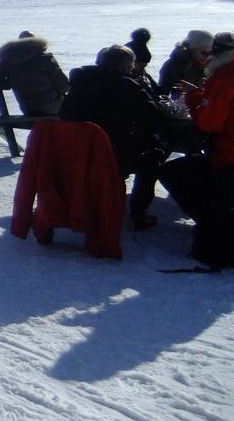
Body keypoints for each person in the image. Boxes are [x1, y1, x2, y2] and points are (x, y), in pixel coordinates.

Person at [60, 44, 171, 231]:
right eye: (131, 66)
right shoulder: (126, 86)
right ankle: (138, 213)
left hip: (77, 152)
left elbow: (64, 115)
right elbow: (153, 119)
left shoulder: (80, 83)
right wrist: (143, 91)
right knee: (154, 155)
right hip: (114, 154)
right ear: (123, 67)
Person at [159, 33, 234, 267]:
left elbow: (209, 123)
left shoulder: (224, 77)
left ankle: (217, 235)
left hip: (229, 156)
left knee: (175, 173)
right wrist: (200, 94)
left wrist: (193, 99)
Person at [0, 31, 69, 116]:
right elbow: (64, 87)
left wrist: (8, 82)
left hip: (28, 108)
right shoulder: (45, 58)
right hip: (53, 107)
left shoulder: (7, 60)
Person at [159, 30, 213, 95]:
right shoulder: (174, 66)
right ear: (192, 50)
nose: (207, 56)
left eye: (211, 52)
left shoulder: (211, 66)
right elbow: (164, 92)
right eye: (204, 53)